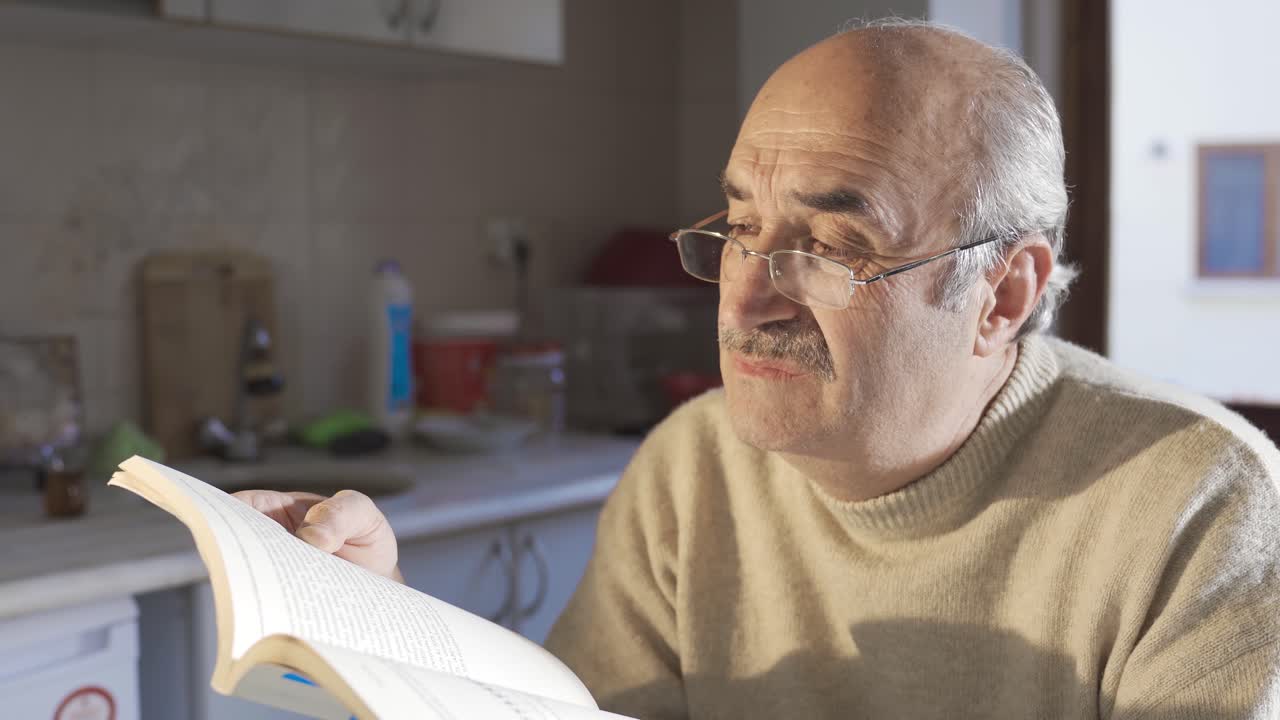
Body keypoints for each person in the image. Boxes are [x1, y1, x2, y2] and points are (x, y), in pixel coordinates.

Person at [237, 18, 1280, 719]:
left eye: (827, 246)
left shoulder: (1198, 504)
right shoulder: (694, 466)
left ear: (1001, 296)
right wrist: (388, 626)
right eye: (739, 228)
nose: (743, 297)